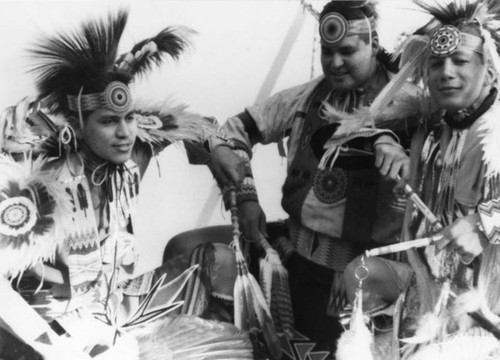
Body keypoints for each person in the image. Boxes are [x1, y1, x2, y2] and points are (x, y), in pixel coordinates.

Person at [168, 0, 418, 355]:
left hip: (357, 278)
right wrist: (247, 195)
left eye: (347, 51)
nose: (334, 62)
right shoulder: (307, 97)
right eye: (327, 52)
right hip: (289, 257)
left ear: (374, 44)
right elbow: (235, 130)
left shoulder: (413, 105)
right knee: (190, 255)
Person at [0, 9, 250, 359]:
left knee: (220, 261)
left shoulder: (134, 152)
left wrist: (220, 149)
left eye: (129, 118)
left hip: (115, 306)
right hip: (54, 327)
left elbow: (196, 124)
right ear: (78, 124)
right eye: (108, 121)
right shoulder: (40, 179)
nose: (124, 132)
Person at [342, 0, 500, 358]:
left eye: (460, 61)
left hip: (488, 313)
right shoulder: (432, 133)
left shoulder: (496, 129)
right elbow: (370, 124)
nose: (446, 72)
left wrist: (483, 223)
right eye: (436, 64)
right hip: (435, 298)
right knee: (358, 273)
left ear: (488, 69)